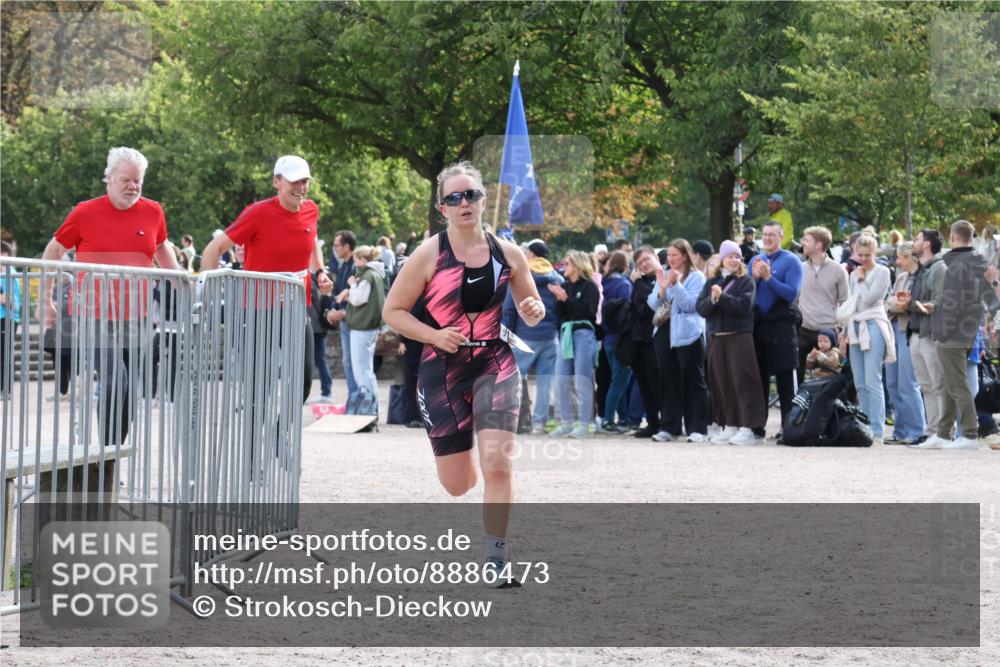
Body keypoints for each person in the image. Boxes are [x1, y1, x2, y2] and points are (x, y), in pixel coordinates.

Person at [381, 161, 544, 586]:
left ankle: (496, 559)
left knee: (499, 465)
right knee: (457, 484)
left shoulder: (509, 254)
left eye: (470, 194)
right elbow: (392, 311)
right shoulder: (429, 255)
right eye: (454, 198)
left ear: (484, 201)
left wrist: (534, 309)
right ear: (443, 208)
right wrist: (433, 335)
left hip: (494, 363)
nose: (464, 203)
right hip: (443, 369)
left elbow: (532, 309)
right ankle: (466, 453)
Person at [40, 147, 182, 445]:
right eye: (126, 180)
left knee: (131, 390)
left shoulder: (153, 211)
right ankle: (106, 454)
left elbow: (161, 248)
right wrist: (46, 300)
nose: (133, 186)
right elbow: (54, 250)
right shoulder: (85, 212)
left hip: (137, 315)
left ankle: (113, 451)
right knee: (115, 380)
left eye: (138, 180)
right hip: (94, 315)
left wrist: (183, 285)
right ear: (109, 179)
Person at [200, 154, 331, 404]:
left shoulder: (311, 209)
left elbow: (312, 239)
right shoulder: (258, 212)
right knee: (260, 386)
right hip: (260, 310)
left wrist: (320, 271)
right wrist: (207, 298)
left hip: (296, 306)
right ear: (277, 182)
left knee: (304, 380)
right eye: (294, 181)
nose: (301, 187)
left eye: (305, 181)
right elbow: (214, 249)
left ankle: (282, 428)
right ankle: (254, 428)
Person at [910, 221, 989, 450]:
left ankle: (970, 434)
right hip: (966, 331)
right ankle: (944, 433)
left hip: (952, 333)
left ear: (953, 238)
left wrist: (942, 331)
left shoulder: (955, 263)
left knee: (956, 386)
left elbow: (953, 303)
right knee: (948, 385)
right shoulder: (977, 261)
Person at [696, 240, 767, 445]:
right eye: (730, 256)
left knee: (743, 381)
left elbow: (744, 306)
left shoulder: (746, 281)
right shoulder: (712, 281)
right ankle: (730, 424)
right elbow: (701, 308)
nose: (734, 260)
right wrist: (713, 300)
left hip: (739, 336)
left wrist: (722, 297)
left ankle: (748, 427)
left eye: (737, 256)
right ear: (722, 259)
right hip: (717, 337)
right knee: (721, 382)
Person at [647, 239, 709, 442]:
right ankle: (669, 427)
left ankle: (697, 428)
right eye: (669, 255)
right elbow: (652, 304)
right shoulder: (664, 274)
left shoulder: (697, 276)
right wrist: (662, 289)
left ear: (685, 256)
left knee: (693, 380)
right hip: (664, 332)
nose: (671, 258)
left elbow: (691, 305)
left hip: (688, 333)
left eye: (675, 255)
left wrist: (675, 285)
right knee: (667, 380)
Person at [501, 238, 562, 435]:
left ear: (532, 254)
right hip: (551, 337)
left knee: (512, 380)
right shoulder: (558, 278)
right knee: (545, 383)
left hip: (525, 337)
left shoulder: (522, 277)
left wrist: (507, 337)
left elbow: (509, 309)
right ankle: (539, 424)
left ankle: (509, 420)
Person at [749, 221, 803, 438]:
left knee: (785, 379)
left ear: (781, 237)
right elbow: (746, 293)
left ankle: (788, 428)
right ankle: (756, 427)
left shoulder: (791, 261)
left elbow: (791, 294)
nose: (767, 238)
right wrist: (754, 279)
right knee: (758, 379)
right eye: (765, 234)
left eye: (772, 234)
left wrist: (768, 277)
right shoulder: (755, 260)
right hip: (759, 326)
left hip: (781, 326)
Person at [842, 234, 894, 445]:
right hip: (855, 325)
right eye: (860, 255)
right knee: (860, 382)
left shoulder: (882, 272)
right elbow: (852, 302)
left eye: (867, 255)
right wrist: (845, 331)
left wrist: (862, 278)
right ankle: (864, 426)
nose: (863, 259)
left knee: (873, 380)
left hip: (874, 323)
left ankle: (878, 430)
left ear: (874, 253)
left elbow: (871, 298)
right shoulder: (854, 274)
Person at [548, 251, 600, 439]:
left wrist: (566, 300)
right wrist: (561, 300)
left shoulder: (590, 286)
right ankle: (566, 423)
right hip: (566, 334)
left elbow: (588, 312)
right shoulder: (565, 286)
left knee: (582, 380)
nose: (564, 266)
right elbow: (560, 314)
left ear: (577, 266)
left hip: (583, 334)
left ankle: (585, 424)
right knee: (561, 380)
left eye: (567, 263)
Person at [904, 229, 946, 441]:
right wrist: (907, 303)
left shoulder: (939, 269)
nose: (914, 242)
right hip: (916, 333)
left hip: (931, 334)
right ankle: (932, 432)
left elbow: (940, 301)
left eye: (917, 239)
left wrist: (916, 304)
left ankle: (944, 432)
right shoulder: (920, 270)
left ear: (927, 244)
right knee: (926, 386)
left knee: (939, 385)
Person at [883, 243, 926, 444]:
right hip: (894, 329)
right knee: (892, 382)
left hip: (910, 331)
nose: (898, 262)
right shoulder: (901, 278)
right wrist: (898, 305)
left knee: (908, 382)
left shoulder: (922, 277)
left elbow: (912, 304)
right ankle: (900, 431)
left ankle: (917, 430)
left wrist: (901, 305)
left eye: (901, 257)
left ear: (911, 257)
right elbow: (889, 302)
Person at [335, 245, 386, 417]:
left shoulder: (367, 276)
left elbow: (358, 299)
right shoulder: (375, 274)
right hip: (369, 327)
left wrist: (351, 286)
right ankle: (372, 406)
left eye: (356, 259)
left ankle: (368, 407)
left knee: (361, 369)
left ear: (364, 260)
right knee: (366, 369)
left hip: (362, 327)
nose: (354, 262)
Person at [797, 226, 849, 385]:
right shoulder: (800, 268)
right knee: (797, 373)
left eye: (806, 240)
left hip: (828, 332)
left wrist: (843, 332)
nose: (803, 243)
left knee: (829, 377)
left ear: (818, 245)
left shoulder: (838, 270)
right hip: (803, 329)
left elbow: (845, 302)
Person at [628, 246, 662, 438]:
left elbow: (651, 305)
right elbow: (636, 309)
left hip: (657, 339)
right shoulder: (640, 283)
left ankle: (667, 422)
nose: (644, 264)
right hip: (640, 340)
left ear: (656, 257)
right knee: (644, 384)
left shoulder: (661, 278)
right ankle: (652, 422)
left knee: (659, 383)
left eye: (646, 259)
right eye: (640, 263)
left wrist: (638, 283)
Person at [598, 250, 633, 432]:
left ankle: (624, 418)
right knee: (619, 382)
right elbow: (627, 311)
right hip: (621, 338)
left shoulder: (603, 283)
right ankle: (608, 420)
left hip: (607, 338)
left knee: (617, 380)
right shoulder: (624, 284)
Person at [327, 230, 358, 403]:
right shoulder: (343, 266)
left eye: (337, 245)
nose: (335, 248)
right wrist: (332, 310)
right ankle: (353, 398)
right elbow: (338, 292)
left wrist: (342, 312)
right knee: (348, 361)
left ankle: (357, 399)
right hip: (345, 321)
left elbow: (359, 296)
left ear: (347, 247)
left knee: (355, 362)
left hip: (354, 321)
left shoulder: (355, 266)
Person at [0, 241, 21, 398]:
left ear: (4, 254)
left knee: (4, 354)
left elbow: (10, 301)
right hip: (4, 317)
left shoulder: (9, 273)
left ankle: (5, 390)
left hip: (6, 318)